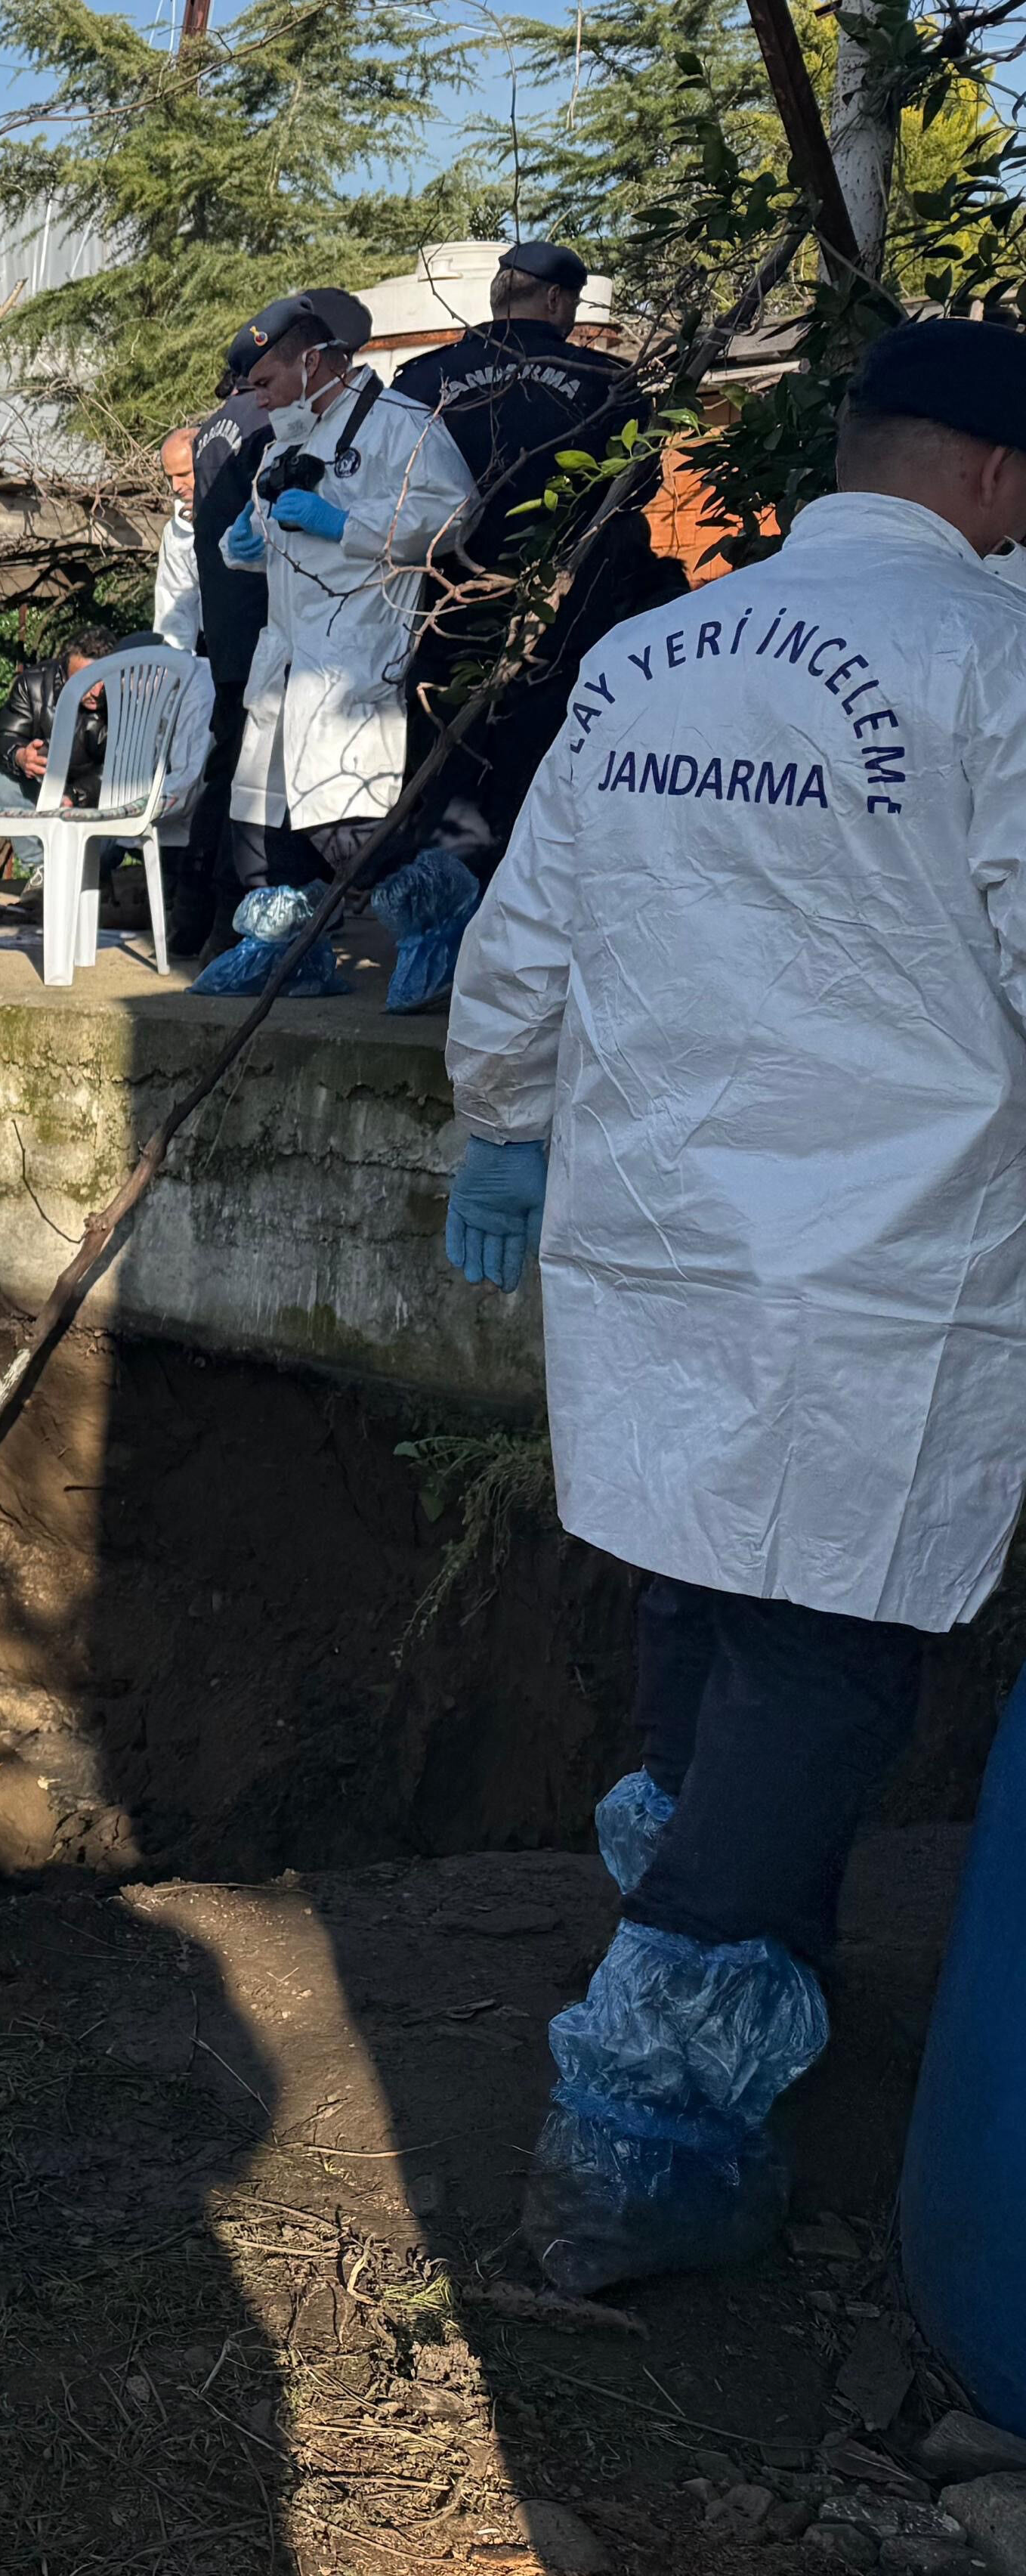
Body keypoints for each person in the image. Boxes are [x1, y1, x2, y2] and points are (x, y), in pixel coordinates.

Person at [440, 316, 1026, 2296]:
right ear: (999, 483)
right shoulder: (996, 662)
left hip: (662, 1245)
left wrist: (502, 1126)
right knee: (827, 1661)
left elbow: (525, 943)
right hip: (885, 1267)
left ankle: (725, 1941)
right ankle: (639, 2136)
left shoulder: (649, 653)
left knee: (705, 1605)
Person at [204, 287, 473, 990]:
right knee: (263, 822)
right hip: (287, 652)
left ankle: (438, 929)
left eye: (263, 383)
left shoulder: (398, 425)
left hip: (356, 652)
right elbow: (269, 533)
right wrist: (246, 546)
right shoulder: (285, 443)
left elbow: (451, 512)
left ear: (314, 362)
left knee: (349, 822)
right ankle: (286, 956)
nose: (254, 399)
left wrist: (342, 524)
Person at [391, 242, 680, 873]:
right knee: (543, 759)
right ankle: (523, 903)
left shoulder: (418, 381)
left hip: (445, 608)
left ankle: (442, 910)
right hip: (564, 614)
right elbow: (638, 487)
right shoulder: (607, 383)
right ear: (555, 299)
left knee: (447, 757)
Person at [185, 330, 277, 928]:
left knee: (223, 766)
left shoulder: (209, 431)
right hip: (259, 618)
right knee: (251, 775)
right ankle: (227, 915)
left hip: (222, 623)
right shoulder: (263, 426)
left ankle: (189, 916)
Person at [0, 627, 116, 878]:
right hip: (44, 788)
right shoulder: (32, 684)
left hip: (99, 797)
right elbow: (3, 739)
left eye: (102, 679)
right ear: (65, 672)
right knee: (2, 783)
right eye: (85, 680)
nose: (96, 692)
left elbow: (120, 766)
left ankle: (91, 871)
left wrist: (75, 795)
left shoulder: (126, 695)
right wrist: (20, 756)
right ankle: (41, 869)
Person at [151, 423, 206, 654]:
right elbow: (174, 607)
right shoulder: (176, 531)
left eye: (184, 474)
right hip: (212, 647)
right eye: (170, 477)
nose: (175, 486)